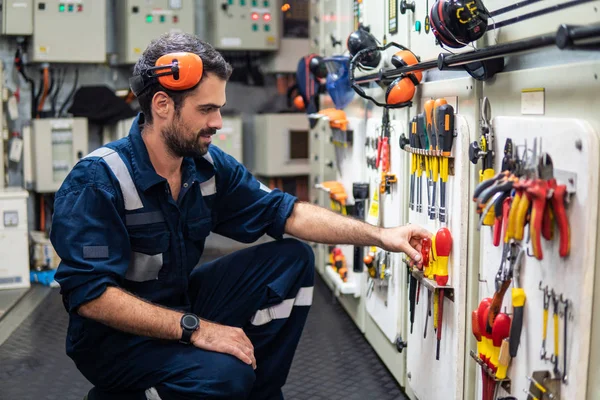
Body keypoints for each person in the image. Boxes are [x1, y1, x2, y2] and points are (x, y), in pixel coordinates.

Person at [51, 32, 430, 400]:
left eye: (219, 108)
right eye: (206, 109)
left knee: (293, 261)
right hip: (114, 342)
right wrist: (196, 330)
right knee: (225, 378)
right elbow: (91, 296)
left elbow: (286, 212)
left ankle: (258, 392)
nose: (218, 122)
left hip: (178, 305)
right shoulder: (98, 180)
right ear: (162, 105)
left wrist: (382, 236)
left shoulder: (206, 167)